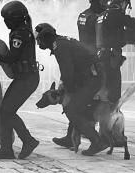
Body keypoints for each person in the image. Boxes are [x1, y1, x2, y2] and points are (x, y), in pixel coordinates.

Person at [35, 23, 108, 156]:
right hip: (88, 75)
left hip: (92, 77)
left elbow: (67, 72)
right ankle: (70, 138)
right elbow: (69, 71)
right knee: (73, 105)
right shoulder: (60, 43)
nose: (38, 41)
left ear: (46, 37)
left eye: (39, 38)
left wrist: (67, 89)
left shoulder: (60, 47)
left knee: (72, 109)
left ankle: (97, 141)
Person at [53, 0, 110, 148]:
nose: (106, 5)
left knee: (76, 100)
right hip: (92, 62)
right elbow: (101, 40)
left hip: (81, 60)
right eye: (104, 1)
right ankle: (98, 137)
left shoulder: (82, 15)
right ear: (98, 1)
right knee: (87, 102)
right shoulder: (98, 18)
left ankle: (71, 136)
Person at [0, 1, 40, 159]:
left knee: (6, 111)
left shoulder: (19, 34)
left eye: (7, 19)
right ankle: (8, 148)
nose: (5, 23)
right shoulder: (23, 30)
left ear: (15, 19)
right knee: (5, 111)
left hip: (26, 79)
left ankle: (26, 141)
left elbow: (12, 57)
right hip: (26, 77)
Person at [95, 0, 135, 103]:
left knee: (103, 88)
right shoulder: (116, 14)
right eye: (125, 5)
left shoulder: (101, 15)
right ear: (122, 3)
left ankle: (103, 114)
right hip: (111, 58)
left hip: (100, 56)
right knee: (113, 92)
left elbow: (112, 34)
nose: (125, 8)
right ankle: (111, 115)